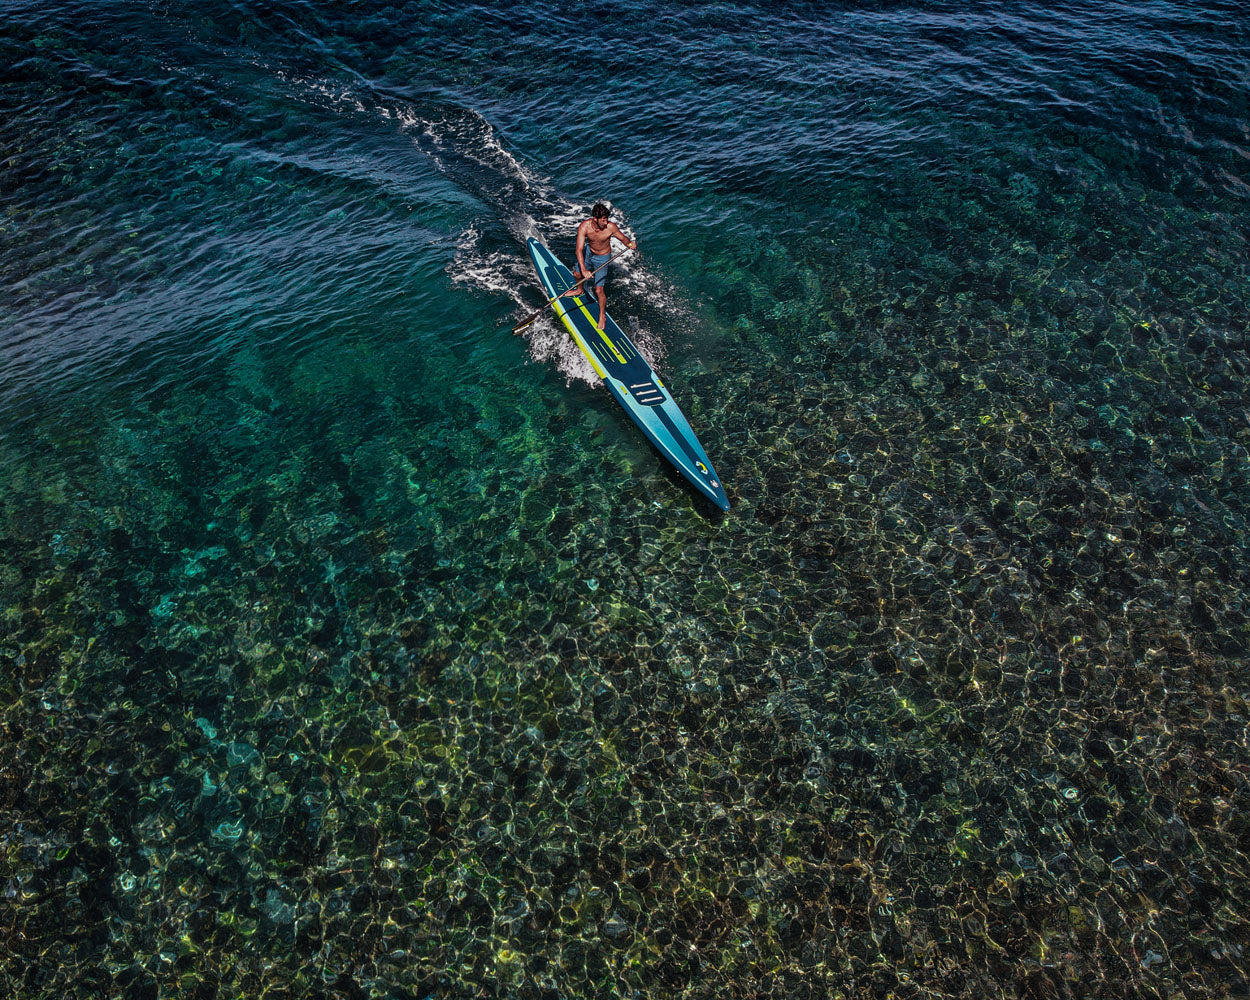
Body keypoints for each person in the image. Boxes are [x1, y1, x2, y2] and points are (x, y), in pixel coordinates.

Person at [561, 202, 637, 329]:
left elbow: (623, 239)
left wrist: (630, 244)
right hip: (588, 253)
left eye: (607, 219)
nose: (605, 222)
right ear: (595, 219)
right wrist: (584, 270)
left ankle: (602, 315)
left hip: (603, 258)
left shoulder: (610, 227)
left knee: (598, 290)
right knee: (577, 274)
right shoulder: (585, 227)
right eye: (603, 220)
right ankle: (579, 290)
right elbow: (579, 250)